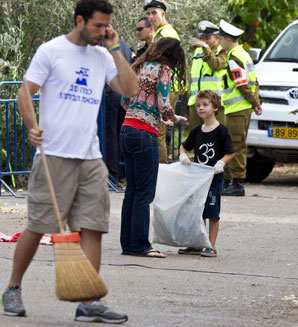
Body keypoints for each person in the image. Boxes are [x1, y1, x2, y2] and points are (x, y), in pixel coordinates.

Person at [2, 0, 138, 323]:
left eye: (107, 26)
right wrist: (32, 127)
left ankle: (89, 302)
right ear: (80, 20)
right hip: (54, 156)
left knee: (93, 227)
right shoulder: (51, 51)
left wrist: (116, 47)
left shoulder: (103, 55)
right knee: (37, 226)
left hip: (90, 158)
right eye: (98, 26)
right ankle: (12, 287)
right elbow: (25, 92)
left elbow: (130, 90)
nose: (103, 31)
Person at [119, 37, 186, 258]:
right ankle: (140, 245)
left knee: (131, 190)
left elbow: (124, 101)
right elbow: (163, 103)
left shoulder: (138, 66)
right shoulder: (162, 70)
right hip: (145, 134)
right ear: (173, 57)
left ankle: (128, 244)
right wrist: (172, 117)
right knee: (144, 193)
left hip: (127, 129)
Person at [178, 90, 234, 257]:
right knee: (198, 211)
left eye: (205, 105)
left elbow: (230, 152)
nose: (200, 108)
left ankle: (211, 245)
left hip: (214, 179)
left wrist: (221, 162)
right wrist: (182, 155)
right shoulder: (196, 131)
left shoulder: (222, 131)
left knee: (212, 212)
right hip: (199, 180)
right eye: (198, 105)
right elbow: (184, 146)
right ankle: (198, 243)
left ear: (215, 107)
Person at [218, 19, 262, 197]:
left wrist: (255, 103)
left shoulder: (234, 57)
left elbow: (243, 84)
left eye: (221, 38)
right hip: (240, 108)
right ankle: (230, 182)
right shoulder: (244, 54)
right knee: (234, 144)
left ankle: (236, 183)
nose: (219, 42)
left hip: (238, 108)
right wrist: (256, 101)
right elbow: (255, 82)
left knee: (235, 146)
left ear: (228, 39)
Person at [145, 0, 180, 164]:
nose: (151, 16)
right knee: (158, 129)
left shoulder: (166, 34)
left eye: (154, 13)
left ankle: (161, 174)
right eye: (149, 13)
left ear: (163, 14)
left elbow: (162, 63)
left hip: (167, 86)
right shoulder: (161, 32)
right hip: (166, 84)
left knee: (158, 130)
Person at [188, 20, 227, 130]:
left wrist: (206, 47)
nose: (204, 41)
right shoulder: (198, 52)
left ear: (217, 38)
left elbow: (215, 65)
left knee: (216, 139)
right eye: (203, 39)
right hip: (196, 103)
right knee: (196, 139)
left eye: (208, 38)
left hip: (214, 104)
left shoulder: (222, 52)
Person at [104, 39, 131, 187]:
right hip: (123, 94)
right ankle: (120, 173)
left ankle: (112, 174)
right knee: (119, 134)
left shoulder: (104, 46)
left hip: (112, 93)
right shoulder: (124, 46)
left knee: (111, 135)